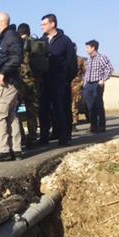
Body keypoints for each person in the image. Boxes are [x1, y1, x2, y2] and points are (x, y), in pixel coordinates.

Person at [0, 12, 23, 162]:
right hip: (10, 81)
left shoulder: (9, 37)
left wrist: (3, 73)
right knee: (11, 116)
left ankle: (3, 149)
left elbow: (16, 58)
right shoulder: (9, 37)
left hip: (8, 82)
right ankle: (16, 149)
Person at [38, 14, 77, 147]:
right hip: (44, 81)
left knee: (60, 108)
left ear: (52, 24)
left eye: (44, 24)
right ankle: (44, 137)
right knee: (43, 110)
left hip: (60, 81)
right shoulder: (41, 42)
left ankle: (64, 136)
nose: (42, 26)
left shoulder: (65, 41)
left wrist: (66, 79)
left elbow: (72, 63)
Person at [16, 23, 40, 148]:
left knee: (15, 111)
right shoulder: (36, 44)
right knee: (32, 112)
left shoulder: (18, 44)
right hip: (35, 83)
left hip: (21, 83)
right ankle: (33, 138)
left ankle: (20, 137)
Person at [83, 39, 114, 133]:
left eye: (87, 47)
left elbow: (110, 69)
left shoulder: (102, 57)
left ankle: (101, 126)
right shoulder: (88, 60)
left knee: (98, 105)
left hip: (97, 84)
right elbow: (86, 72)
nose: (86, 50)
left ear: (93, 48)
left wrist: (103, 79)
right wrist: (84, 81)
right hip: (88, 84)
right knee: (90, 106)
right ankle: (93, 126)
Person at [71, 54, 86, 130]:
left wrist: (82, 82)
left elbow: (85, 72)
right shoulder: (65, 58)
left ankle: (74, 124)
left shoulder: (80, 60)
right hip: (65, 84)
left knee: (74, 105)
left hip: (76, 85)